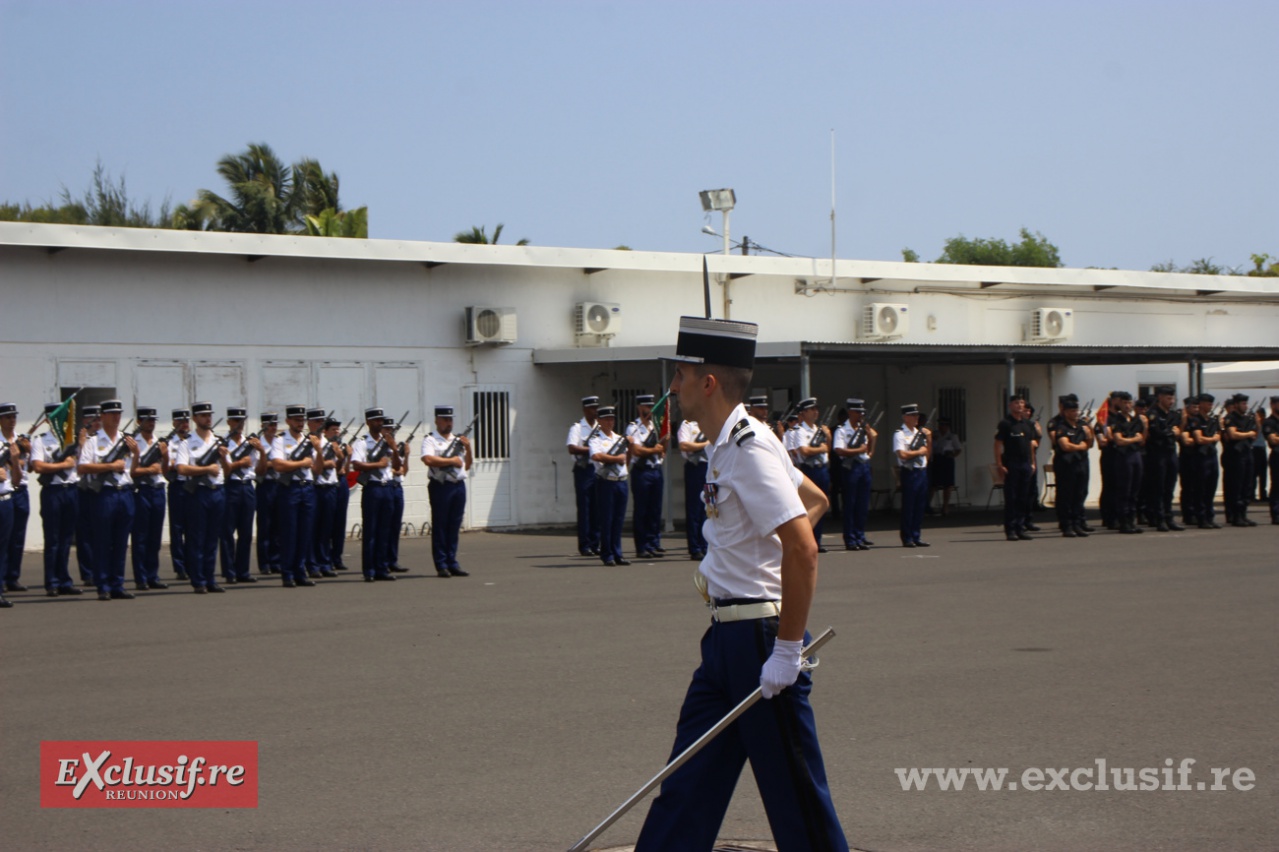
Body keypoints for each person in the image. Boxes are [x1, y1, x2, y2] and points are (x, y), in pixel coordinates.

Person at [635, 316, 847, 851]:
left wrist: (787, 649)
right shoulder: (728, 445)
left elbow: (803, 547)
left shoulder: (750, 448)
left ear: (708, 382)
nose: (673, 385)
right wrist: (763, 551)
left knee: (797, 800)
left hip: (759, 639)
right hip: (724, 641)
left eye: (681, 375)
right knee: (687, 783)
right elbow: (816, 499)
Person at [77, 399, 139, 601]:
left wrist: (136, 453)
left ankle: (117, 584)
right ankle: (102, 585)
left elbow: (132, 471)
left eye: (118, 413)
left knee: (121, 542)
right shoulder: (93, 441)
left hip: (125, 492)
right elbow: (83, 467)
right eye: (112, 413)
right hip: (104, 494)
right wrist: (110, 466)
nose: (116, 417)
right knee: (102, 541)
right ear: (102, 416)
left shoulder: (126, 440)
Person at [173, 401, 228, 593]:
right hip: (198, 493)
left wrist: (223, 458)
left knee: (212, 538)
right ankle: (198, 580)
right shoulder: (186, 443)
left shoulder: (218, 442)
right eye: (203, 416)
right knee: (197, 537)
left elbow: (227, 470)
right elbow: (181, 469)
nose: (208, 419)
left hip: (217, 491)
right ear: (195, 419)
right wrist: (206, 469)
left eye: (209, 415)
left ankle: (210, 578)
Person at [30, 401, 83, 597]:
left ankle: (64, 581)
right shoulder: (41, 441)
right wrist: (63, 465)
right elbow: (38, 466)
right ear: (48, 420)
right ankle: (51, 582)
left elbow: (82, 464)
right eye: (58, 417)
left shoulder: (72, 440)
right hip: (53, 491)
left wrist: (81, 446)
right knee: (52, 539)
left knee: (66, 539)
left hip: (71, 490)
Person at [269, 404, 322, 587]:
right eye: (297, 420)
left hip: (307, 488)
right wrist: (301, 463)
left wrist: (319, 450)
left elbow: (317, 469)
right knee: (289, 533)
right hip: (289, 489)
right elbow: (278, 465)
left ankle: (300, 572)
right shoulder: (280, 440)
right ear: (288, 421)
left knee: (305, 532)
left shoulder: (309, 440)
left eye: (302, 420)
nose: (300, 423)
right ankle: (287, 573)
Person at [419, 405, 471, 578]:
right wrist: (451, 461)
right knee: (440, 525)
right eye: (445, 419)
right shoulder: (430, 439)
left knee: (454, 526)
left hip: (458, 485)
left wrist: (468, 448)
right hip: (441, 486)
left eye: (450, 420)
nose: (449, 423)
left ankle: (452, 561)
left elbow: (467, 465)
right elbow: (428, 459)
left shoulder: (457, 440)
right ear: (437, 420)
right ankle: (441, 564)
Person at [351, 407, 397, 582]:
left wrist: (394, 448)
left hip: (388, 487)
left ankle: (382, 568)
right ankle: (369, 570)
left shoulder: (387, 441)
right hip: (373, 488)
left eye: (381, 420)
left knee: (385, 531)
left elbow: (396, 465)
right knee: (371, 531)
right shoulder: (362, 443)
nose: (380, 423)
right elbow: (356, 464)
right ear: (368, 422)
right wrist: (377, 465)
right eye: (376, 420)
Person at [129, 406, 170, 591]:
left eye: (153, 420)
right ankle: (141, 578)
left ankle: (153, 575)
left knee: (155, 536)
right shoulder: (133, 443)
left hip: (158, 490)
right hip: (142, 491)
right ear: (139, 422)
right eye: (147, 420)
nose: (151, 423)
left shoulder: (159, 442)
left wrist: (165, 456)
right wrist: (148, 469)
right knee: (140, 537)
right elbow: (130, 472)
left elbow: (166, 472)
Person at [627, 393, 668, 559]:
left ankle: (653, 543)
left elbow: (663, 447)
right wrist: (654, 450)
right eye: (647, 406)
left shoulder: (656, 426)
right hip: (642, 471)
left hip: (655, 470)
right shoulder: (633, 427)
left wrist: (665, 439)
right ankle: (642, 547)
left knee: (655, 509)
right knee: (642, 510)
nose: (650, 409)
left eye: (652, 406)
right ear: (639, 407)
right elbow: (636, 450)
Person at [788, 398, 832, 552]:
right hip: (809, 470)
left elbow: (828, 449)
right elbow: (804, 451)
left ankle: (817, 541)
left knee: (821, 504)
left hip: (822, 469)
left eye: (816, 409)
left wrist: (828, 437)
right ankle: (807, 540)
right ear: (804, 412)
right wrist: (821, 449)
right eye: (812, 409)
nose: (816, 412)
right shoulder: (800, 431)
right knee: (807, 507)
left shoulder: (818, 430)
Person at [588, 406, 630, 567]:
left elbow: (626, 457)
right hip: (606, 482)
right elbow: (596, 455)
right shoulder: (596, 439)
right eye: (606, 419)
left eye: (612, 419)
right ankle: (607, 554)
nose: (610, 422)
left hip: (621, 481)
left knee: (619, 520)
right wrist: (616, 459)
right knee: (607, 519)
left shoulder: (619, 438)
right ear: (599, 421)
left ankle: (617, 553)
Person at [833, 398, 876, 550]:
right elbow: (839, 450)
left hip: (863, 466)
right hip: (850, 468)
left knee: (862, 504)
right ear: (850, 412)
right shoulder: (842, 430)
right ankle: (850, 539)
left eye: (862, 412)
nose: (860, 415)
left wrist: (870, 437)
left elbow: (868, 448)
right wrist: (858, 450)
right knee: (850, 504)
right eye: (858, 412)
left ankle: (859, 536)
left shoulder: (862, 429)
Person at [994, 395, 1036, 541]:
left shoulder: (1027, 424)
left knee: (1023, 497)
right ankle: (1011, 529)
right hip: (1012, 463)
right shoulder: (1005, 424)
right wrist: (999, 464)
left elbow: (1030, 445)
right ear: (1010, 406)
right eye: (1016, 403)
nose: (1020, 405)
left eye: (1022, 403)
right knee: (1012, 497)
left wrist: (1032, 463)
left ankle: (1020, 527)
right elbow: (998, 444)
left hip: (1025, 463)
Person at [0, 403, 31, 595]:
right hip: (4, 493)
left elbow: (25, 471)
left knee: (16, 537)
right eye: (8, 417)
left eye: (14, 417)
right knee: (3, 540)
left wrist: (24, 454)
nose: (12, 420)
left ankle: (11, 577)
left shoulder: (20, 441)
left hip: (16, 491)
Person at [1052, 397, 1094, 537]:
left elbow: (1089, 444)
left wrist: (1089, 434)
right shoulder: (1061, 427)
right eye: (1072, 411)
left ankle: (1077, 524)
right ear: (1065, 412)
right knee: (1066, 495)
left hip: (1081, 463)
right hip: (1066, 465)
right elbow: (1065, 446)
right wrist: (1080, 446)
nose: (1075, 413)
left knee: (1079, 494)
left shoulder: (1082, 426)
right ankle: (1067, 525)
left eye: (1076, 410)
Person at [1143, 387, 1184, 531]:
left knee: (1169, 487)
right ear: (1160, 397)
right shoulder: (1152, 414)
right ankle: (1158, 518)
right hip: (1157, 454)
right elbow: (1156, 433)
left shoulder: (1174, 414)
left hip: (1171, 452)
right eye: (1168, 398)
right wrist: (1171, 432)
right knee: (1158, 487)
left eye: (1172, 398)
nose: (1171, 401)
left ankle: (1169, 517)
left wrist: (1171, 432)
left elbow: (1178, 432)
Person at [306, 408, 340, 578]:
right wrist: (325, 463)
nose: (320, 424)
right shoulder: (306, 442)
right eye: (317, 421)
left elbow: (336, 464)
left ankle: (325, 562)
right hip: (315, 487)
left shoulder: (328, 442)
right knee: (312, 529)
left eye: (322, 422)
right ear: (309, 423)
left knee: (326, 529)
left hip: (330, 487)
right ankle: (312, 564)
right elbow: (312, 466)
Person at [566, 395, 602, 557]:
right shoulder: (578, 428)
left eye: (596, 408)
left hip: (597, 469)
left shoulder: (600, 428)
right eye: (592, 408)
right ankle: (585, 545)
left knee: (597, 508)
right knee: (585, 509)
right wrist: (591, 450)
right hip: (583, 470)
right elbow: (572, 448)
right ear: (585, 410)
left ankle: (595, 543)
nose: (595, 411)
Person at [1108, 391, 1147, 534]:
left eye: (1129, 403)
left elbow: (1142, 439)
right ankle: (1123, 522)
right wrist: (1134, 439)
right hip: (1123, 457)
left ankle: (1131, 520)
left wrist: (1143, 429)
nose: (1127, 405)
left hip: (1136, 455)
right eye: (1124, 403)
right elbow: (1119, 440)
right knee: (1124, 490)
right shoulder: (1116, 420)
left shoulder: (1136, 420)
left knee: (1135, 490)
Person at [895, 404, 931, 547]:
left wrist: (929, 439)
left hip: (921, 470)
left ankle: (916, 535)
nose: (917, 418)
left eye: (917, 415)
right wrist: (918, 452)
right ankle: (907, 537)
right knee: (909, 505)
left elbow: (927, 453)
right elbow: (902, 454)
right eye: (913, 415)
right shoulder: (900, 434)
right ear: (905, 417)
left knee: (920, 506)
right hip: (910, 471)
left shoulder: (920, 433)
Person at [1221, 394, 1258, 526]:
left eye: (1246, 404)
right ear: (1236, 405)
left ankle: (1243, 513)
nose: (1245, 406)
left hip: (1247, 453)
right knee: (1236, 485)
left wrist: (1246, 433)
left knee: (1247, 485)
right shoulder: (1230, 418)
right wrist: (1247, 434)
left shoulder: (1248, 418)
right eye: (1243, 404)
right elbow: (1233, 435)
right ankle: (1235, 515)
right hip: (1235, 455)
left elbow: (1255, 433)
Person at [75, 404, 102, 586]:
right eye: (92, 420)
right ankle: (88, 573)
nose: (96, 423)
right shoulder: (75, 440)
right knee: (84, 533)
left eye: (98, 419)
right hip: (82, 489)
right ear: (85, 421)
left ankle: (101, 570)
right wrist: (81, 445)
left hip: (100, 489)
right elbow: (76, 465)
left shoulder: (104, 440)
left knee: (101, 532)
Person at [677, 415, 710, 560]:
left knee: (708, 508)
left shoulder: (709, 422)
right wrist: (705, 444)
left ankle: (706, 545)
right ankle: (695, 547)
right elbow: (684, 445)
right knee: (694, 509)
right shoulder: (687, 425)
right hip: (695, 467)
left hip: (709, 468)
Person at [254, 412, 282, 575]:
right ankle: (264, 563)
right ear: (262, 426)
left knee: (278, 526)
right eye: (270, 425)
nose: (273, 428)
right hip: (265, 485)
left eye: (275, 425)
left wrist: (272, 463)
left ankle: (276, 560)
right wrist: (274, 463)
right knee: (265, 525)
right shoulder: (258, 443)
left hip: (279, 484)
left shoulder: (280, 442)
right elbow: (259, 466)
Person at [324, 417, 353, 570]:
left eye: (337, 429)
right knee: (327, 522)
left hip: (341, 482)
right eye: (333, 429)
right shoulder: (323, 447)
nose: (336, 432)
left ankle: (337, 557)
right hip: (328, 483)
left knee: (340, 522)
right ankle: (326, 558)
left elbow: (345, 471)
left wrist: (348, 457)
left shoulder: (341, 446)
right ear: (325, 432)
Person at [166, 408, 191, 580]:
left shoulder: (192, 440)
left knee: (192, 527)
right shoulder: (169, 442)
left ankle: (191, 564)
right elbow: (168, 464)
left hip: (193, 486)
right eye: (180, 422)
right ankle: (179, 567)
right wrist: (179, 463)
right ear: (174, 423)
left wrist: (180, 463)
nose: (184, 425)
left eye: (186, 421)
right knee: (177, 528)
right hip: (177, 485)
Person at [1190, 394, 1222, 529]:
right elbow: (1199, 439)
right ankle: (1201, 518)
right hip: (1200, 457)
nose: (1210, 406)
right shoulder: (1196, 420)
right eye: (1208, 404)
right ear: (1201, 404)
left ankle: (1210, 516)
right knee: (1201, 488)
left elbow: (1218, 435)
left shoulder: (1212, 420)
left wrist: (1210, 438)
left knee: (1211, 488)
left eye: (1211, 404)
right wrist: (1211, 439)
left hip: (1212, 456)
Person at [929, 416, 962, 516]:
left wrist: (953, 455)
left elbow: (958, 449)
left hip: (947, 459)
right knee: (933, 484)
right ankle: (927, 505)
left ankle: (945, 507)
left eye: (943, 425)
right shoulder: (934, 434)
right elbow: (930, 447)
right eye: (940, 424)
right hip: (937, 458)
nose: (941, 427)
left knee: (948, 484)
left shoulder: (952, 436)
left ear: (947, 426)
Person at [1263, 396, 1279, 525]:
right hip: (1277, 456)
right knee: (1277, 486)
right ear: (1273, 405)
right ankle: (1276, 514)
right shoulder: (1269, 422)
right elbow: (1273, 439)